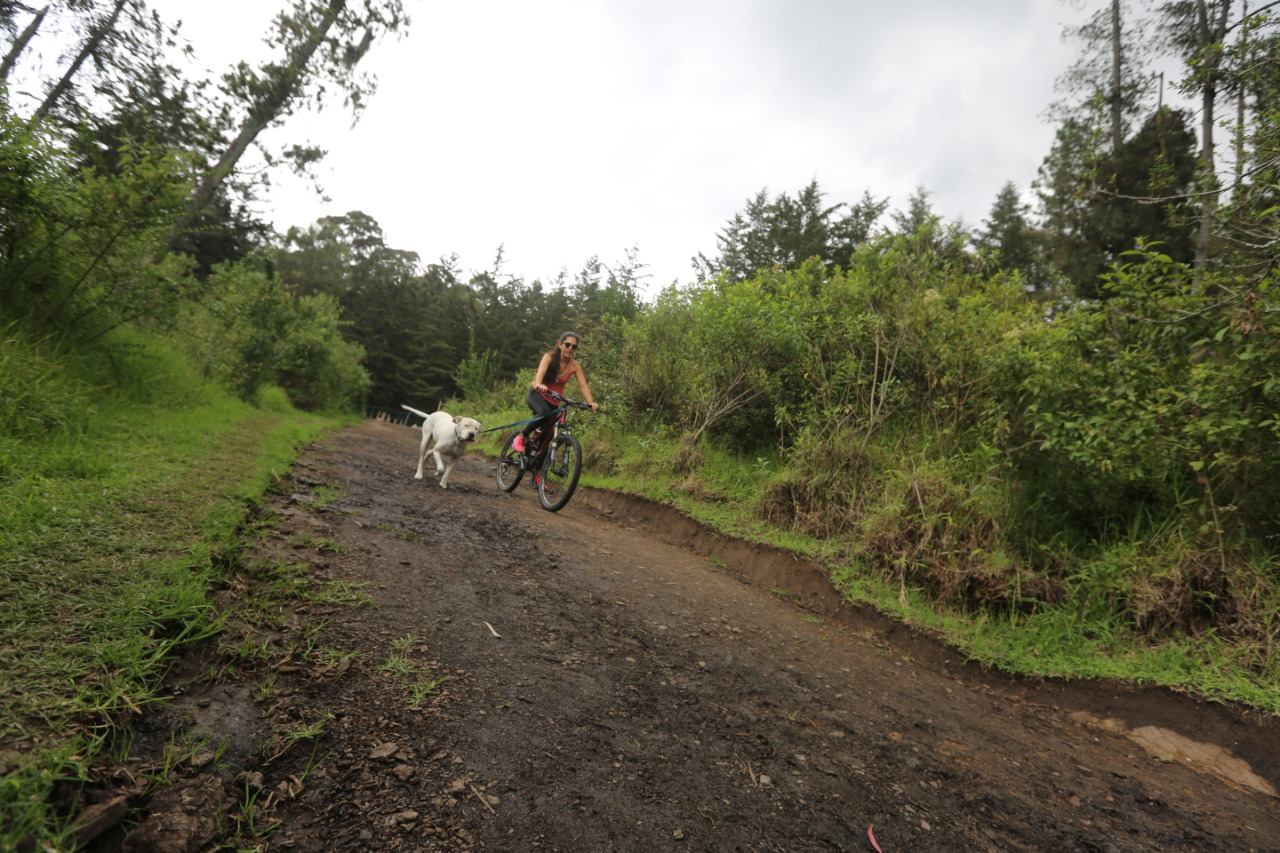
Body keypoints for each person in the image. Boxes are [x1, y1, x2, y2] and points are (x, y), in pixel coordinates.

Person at [514, 331, 599, 455]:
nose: (570, 348)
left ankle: (538, 472)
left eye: (574, 347)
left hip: (554, 401)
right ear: (560, 345)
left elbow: (583, 385)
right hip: (537, 395)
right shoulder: (549, 357)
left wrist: (590, 403)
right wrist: (539, 384)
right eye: (567, 345)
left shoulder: (575, 365)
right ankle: (522, 436)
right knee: (543, 413)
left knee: (548, 436)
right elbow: (540, 373)